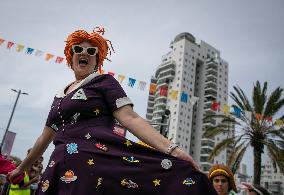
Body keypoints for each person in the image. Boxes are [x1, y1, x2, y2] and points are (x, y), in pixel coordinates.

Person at [8, 27, 217, 195]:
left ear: (97, 61)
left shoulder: (104, 82)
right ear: (70, 56)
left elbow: (131, 118)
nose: (84, 53)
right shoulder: (59, 97)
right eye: (78, 49)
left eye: (91, 51)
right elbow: (43, 139)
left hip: (93, 167)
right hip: (57, 168)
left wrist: (173, 149)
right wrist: (21, 168)